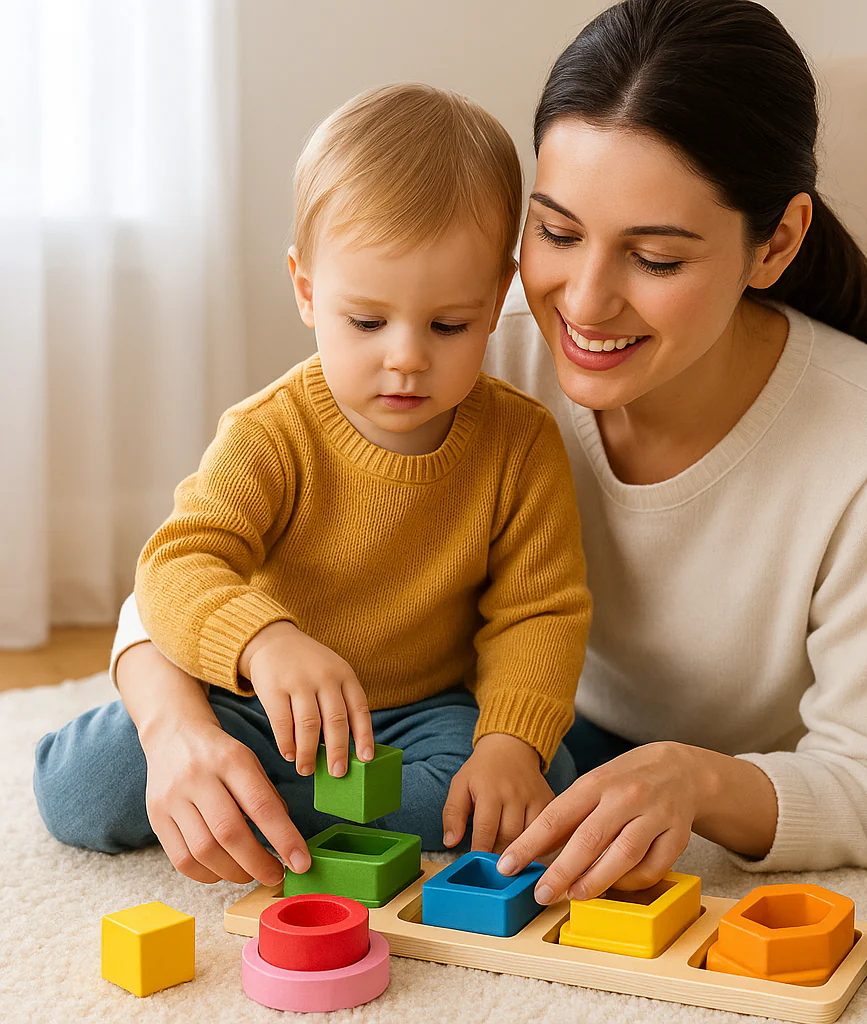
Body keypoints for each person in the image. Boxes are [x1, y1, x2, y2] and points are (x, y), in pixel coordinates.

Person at [50, 0, 867, 900]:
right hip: (398, 716)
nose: (584, 303)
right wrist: (176, 730)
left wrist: (692, 779)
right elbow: (181, 567)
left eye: (656, 259)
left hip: (503, 731)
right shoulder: (458, 345)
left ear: (776, 243)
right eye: (557, 232)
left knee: (497, 795)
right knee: (117, 772)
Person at [32, 83, 592, 888]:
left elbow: (539, 611)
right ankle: (247, 793)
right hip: (260, 706)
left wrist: (509, 743)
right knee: (88, 788)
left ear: (497, 297)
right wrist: (263, 643)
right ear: (305, 289)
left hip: (418, 714)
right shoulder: (271, 432)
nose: (407, 357)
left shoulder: (521, 442)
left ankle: (252, 808)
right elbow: (176, 565)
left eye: (449, 325)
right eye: (367, 322)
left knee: (536, 781)